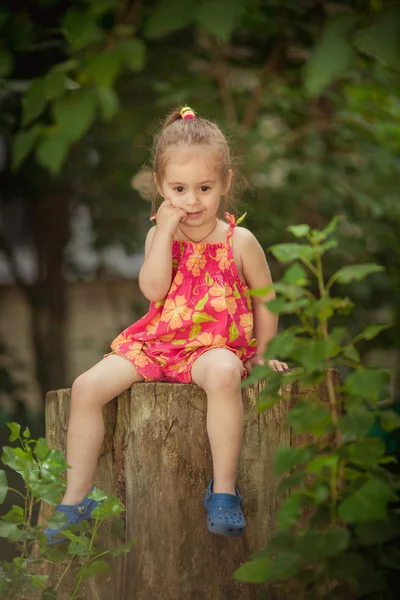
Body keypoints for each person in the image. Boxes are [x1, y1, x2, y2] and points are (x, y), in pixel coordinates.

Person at [44, 105, 289, 545]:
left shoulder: (240, 241)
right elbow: (154, 291)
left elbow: (265, 299)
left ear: (225, 184)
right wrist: (162, 235)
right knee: (85, 387)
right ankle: (74, 498)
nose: (192, 201)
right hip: (159, 343)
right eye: (179, 188)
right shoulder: (160, 237)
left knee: (224, 374)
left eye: (204, 188)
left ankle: (223, 491)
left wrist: (265, 351)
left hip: (215, 345)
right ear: (160, 188)